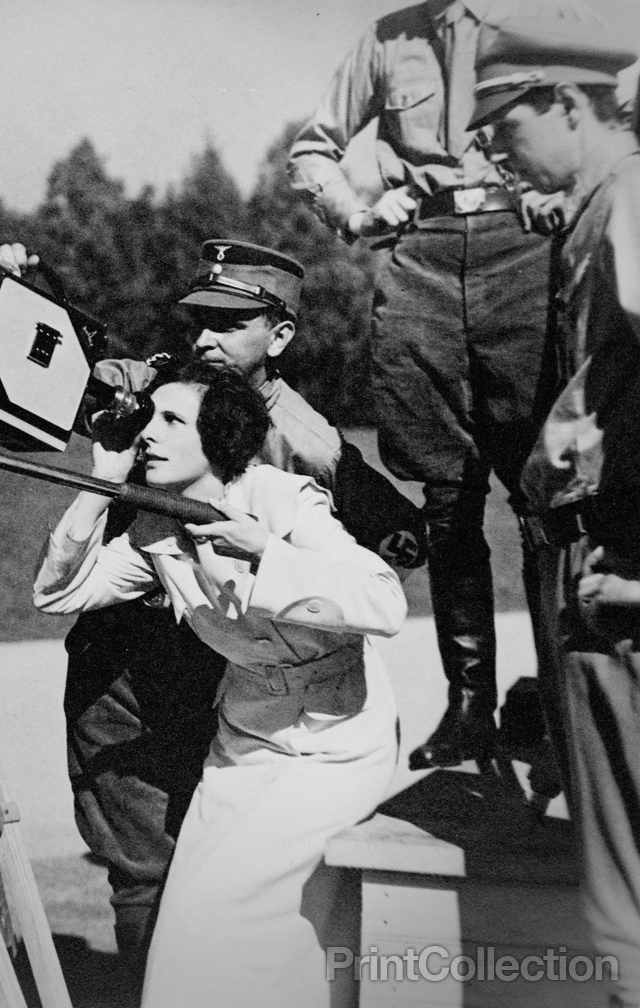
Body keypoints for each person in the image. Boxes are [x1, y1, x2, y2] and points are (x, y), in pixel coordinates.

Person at [52, 239, 423, 977]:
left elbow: (372, 568)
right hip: (117, 647)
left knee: (196, 877)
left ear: (279, 336)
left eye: (228, 325)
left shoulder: (301, 446)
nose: (203, 341)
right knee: (139, 862)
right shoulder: (170, 389)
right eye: (197, 323)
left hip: (213, 666)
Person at [288, 0, 603, 774]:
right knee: (444, 495)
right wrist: (356, 214)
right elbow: (312, 150)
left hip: (523, 251)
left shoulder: (545, 23)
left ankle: (565, 711)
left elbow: (602, 127)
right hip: (420, 256)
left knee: (544, 495)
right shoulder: (388, 38)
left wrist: (569, 195)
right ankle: (470, 712)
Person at [469, 17, 640, 1002]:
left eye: (503, 119)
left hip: (621, 572)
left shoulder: (624, 193)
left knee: (624, 911)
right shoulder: (590, 202)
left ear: (570, 104)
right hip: (597, 571)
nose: (487, 144)